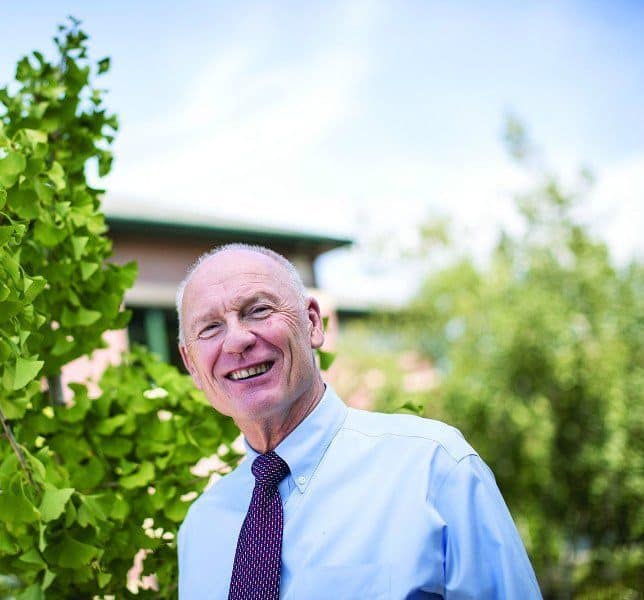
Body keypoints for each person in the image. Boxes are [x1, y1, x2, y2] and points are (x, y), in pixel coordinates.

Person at [175, 243, 541, 599]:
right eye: (209, 328)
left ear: (313, 323)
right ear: (191, 363)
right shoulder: (201, 528)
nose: (237, 340)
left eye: (258, 310)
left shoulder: (434, 469)